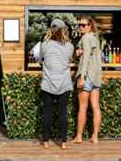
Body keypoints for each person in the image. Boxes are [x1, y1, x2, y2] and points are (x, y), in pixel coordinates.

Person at [34, 18, 75, 150]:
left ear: (51, 29)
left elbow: (39, 59)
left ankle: (45, 141)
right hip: (64, 83)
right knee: (63, 113)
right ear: (64, 30)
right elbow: (69, 59)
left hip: (48, 83)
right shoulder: (69, 46)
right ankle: (63, 142)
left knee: (47, 113)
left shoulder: (44, 44)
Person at [74, 15, 103, 144]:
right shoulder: (95, 39)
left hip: (86, 76)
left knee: (83, 107)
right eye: (79, 25)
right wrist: (79, 52)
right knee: (96, 107)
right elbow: (91, 56)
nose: (81, 27)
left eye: (83, 25)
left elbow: (85, 58)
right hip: (96, 77)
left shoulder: (86, 38)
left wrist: (82, 77)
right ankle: (95, 136)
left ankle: (79, 137)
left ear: (90, 26)